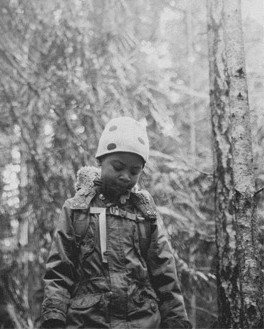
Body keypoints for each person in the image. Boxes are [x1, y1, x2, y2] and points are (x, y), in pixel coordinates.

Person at [42, 115, 188, 329]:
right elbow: (60, 269)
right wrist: (54, 317)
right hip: (88, 321)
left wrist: (176, 320)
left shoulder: (146, 214)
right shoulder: (77, 209)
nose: (125, 176)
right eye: (118, 167)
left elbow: (164, 273)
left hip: (143, 320)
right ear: (101, 161)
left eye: (134, 171)